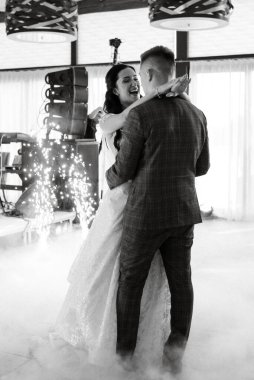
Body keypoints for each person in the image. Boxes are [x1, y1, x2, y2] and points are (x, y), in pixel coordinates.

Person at [54, 62, 191, 369]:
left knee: (143, 275)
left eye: (134, 79)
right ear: (114, 89)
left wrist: (175, 95)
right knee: (109, 271)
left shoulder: (151, 110)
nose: (132, 83)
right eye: (125, 80)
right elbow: (125, 119)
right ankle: (104, 336)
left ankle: (141, 338)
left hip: (149, 203)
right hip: (119, 203)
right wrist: (158, 91)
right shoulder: (107, 117)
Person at [106, 46, 210, 374]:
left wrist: (106, 176)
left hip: (145, 215)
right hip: (183, 211)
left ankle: (125, 358)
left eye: (140, 73)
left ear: (149, 74)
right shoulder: (197, 114)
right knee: (182, 282)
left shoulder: (140, 115)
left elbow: (123, 171)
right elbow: (203, 167)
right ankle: (174, 356)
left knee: (131, 283)